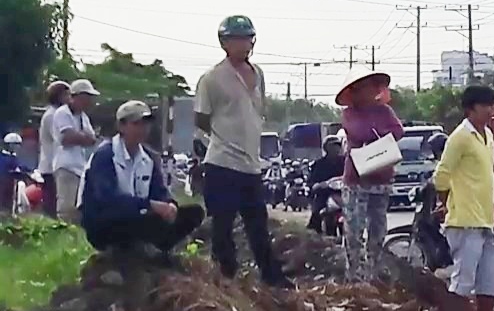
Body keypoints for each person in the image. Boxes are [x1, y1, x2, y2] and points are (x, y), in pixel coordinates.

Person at [194, 16, 289, 288]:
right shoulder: (212, 78)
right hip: (222, 162)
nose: (243, 44)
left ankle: (272, 277)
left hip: (251, 164)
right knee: (222, 226)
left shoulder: (257, 73)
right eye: (237, 39)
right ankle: (224, 279)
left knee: (258, 225)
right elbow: (201, 117)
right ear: (225, 42)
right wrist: (224, 135)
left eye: (247, 38)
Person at [79, 100, 206, 261]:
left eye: (146, 124)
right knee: (140, 220)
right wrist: (149, 205)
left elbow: (159, 191)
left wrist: (170, 205)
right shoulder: (105, 155)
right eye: (136, 124)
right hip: (105, 222)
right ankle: (123, 249)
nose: (143, 129)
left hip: (137, 216)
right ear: (121, 126)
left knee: (193, 213)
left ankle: (156, 249)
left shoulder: (148, 158)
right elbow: (106, 199)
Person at [433, 85, 494, 311]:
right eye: (487, 106)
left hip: (486, 219)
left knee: (489, 281)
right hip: (464, 220)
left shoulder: (487, 135)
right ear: (471, 108)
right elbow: (442, 175)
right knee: (463, 280)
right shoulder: (460, 136)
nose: (492, 111)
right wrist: (445, 201)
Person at [337, 71, 403, 281]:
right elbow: (359, 132)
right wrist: (381, 135)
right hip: (357, 179)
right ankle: (354, 273)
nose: (373, 91)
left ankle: (373, 271)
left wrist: (378, 133)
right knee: (354, 229)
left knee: (378, 228)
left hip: (381, 178)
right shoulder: (349, 113)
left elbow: (398, 130)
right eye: (367, 87)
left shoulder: (385, 111)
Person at [46, 79, 100, 225]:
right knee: (66, 205)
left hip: (79, 166)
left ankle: (73, 234)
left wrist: (81, 136)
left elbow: (92, 139)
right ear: (77, 97)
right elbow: (67, 138)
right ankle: (64, 233)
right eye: (87, 97)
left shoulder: (83, 117)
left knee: (78, 206)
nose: (89, 102)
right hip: (66, 166)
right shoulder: (62, 113)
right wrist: (83, 137)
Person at [36, 82, 70, 219]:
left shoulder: (59, 113)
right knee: (52, 202)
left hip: (55, 165)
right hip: (51, 165)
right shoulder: (52, 115)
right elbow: (60, 139)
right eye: (67, 94)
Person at [306, 134, 348, 236]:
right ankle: (316, 232)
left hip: (343, 192)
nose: (336, 148)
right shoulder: (319, 164)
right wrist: (317, 185)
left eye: (337, 145)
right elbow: (311, 181)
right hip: (325, 193)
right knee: (317, 210)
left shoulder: (346, 162)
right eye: (333, 146)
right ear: (326, 148)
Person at [1, 132, 33, 216]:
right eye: (15, 145)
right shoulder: (4, 157)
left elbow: (21, 167)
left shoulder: (13, 157)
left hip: (10, 184)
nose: (17, 147)